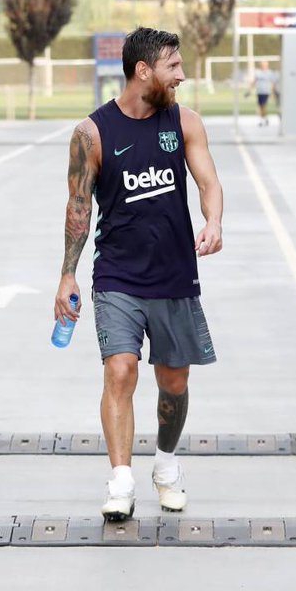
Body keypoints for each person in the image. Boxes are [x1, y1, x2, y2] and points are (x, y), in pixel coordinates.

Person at [55, 27, 225, 522]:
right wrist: (67, 275)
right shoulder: (92, 133)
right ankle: (121, 480)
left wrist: (213, 221)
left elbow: (210, 181)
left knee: (173, 383)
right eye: (174, 67)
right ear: (143, 71)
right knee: (120, 370)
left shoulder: (185, 122)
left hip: (175, 276)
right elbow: (78, 208)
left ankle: (166, 465)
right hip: (117, 278)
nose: (182, 76)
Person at [251, 61, 278, 126]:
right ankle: (264, 119)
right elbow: (254, 81)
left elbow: (273, 83)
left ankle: (263, 119)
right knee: (260, 106)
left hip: (266, 91)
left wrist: (273, 92)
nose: (264, 66)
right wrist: (250, 89)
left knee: (264, 105)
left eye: (265, 65)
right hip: (259, 91)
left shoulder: (270, 73)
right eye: (262, 65)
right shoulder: (258, 72)